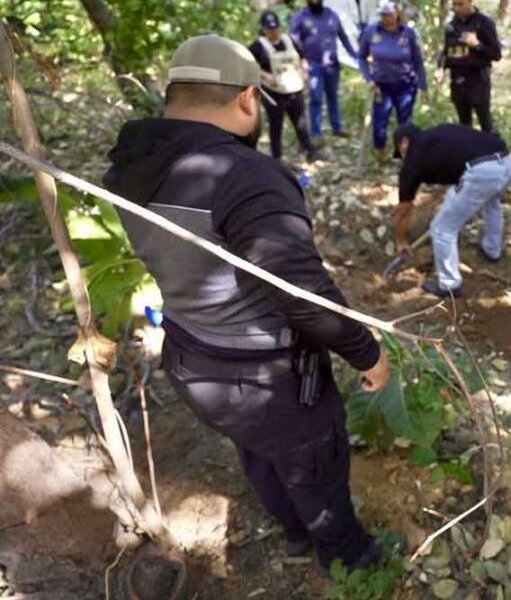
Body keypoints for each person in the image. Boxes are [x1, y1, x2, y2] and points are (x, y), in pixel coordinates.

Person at [103, 34, 390, 575]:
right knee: (316, 467)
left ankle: (294, 533)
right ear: (246, 97)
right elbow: (302, 294)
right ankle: (350, 560)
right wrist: (367, 352)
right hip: (268, 378)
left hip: (193, 359)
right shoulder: (245, 176)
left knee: (257, 450)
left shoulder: (128, 168)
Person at [391, 122, 511, 297]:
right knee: (492, 202)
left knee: (441, 229)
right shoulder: (441, 132)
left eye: (401, 152)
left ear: (404, 142)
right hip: (508, 162)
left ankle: (449, 284)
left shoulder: (414, 158)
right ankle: (492, 249)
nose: (403, 157)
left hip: (482, 172)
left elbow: (404, 210)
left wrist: (400, 241)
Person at [358, 0, 428, 159]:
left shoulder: (408, 34)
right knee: (380, 121)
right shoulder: (371, 32)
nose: (386, 18)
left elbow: (417, 61)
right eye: (383, 15)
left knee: (405, 123)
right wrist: (368, 78)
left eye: (389, 14)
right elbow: (361, 57)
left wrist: (423, 86)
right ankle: (380, 153)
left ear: (397, 14)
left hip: (406, 84)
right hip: (381, 85)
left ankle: (404, 155)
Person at [290, 0, 360, 139]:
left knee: (332, 96)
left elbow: (343, 37)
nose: (314, 0)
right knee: (315, 97)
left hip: (332, 64)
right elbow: (294, 41)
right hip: (313, 64)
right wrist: (301, 60)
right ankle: (316, 133)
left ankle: (337, 127)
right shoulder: (300, 18)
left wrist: (356, 55)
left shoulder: (331, 16)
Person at [249, 10, 316, 162]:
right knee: (276, 126)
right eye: (270, 29)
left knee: (301, 123)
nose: (274, 32)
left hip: (294, 90)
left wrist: (304, 70)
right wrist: (264, 75)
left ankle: (309, 151)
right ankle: (277, 157)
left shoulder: (290, 40)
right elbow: (248, 64)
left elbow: (302, 57)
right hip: (273, 93)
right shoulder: (258, 46)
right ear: (264, 29)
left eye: (276, 28)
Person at [442, 0, 502, 133]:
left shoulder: (484, 23)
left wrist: (477, 45)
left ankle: (491, 147)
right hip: (457, 81)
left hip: (478, 81)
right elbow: (447, 51)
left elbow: (496, 54)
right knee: (464, 127)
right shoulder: (451, 26)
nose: (457, 8)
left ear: (470, 0)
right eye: (454, 5)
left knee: (485, 124)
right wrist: (440, 67)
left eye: (461, 4)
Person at [323, 0, 361, 66]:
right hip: (347, 26)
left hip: (329, 26)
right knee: (350, 47)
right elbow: (355, 13)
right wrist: (357, 23)